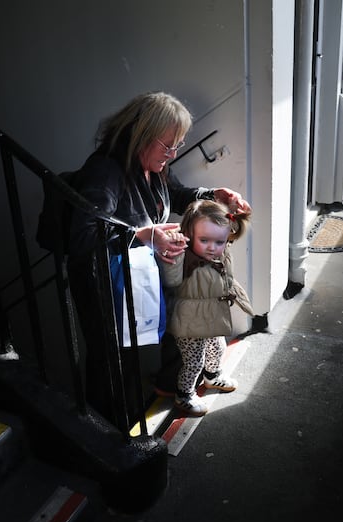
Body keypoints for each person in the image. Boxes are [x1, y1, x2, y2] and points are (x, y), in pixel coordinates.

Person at [66, 91, 251, 425]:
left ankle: (170, 384)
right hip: (103, 282)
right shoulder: (106, 171)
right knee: (111, 357)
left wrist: (214, 195)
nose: (173, 153)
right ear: (140, 136)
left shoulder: (153, 165)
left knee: (179, 316)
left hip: (141, 273)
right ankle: (103, 429)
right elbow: (82, 235)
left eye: (177, 145)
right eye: (168, 145)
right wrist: (141, 235)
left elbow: (177, 195)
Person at [158, 199, 253, 416]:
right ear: (189, 235)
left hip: (210, 316)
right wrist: (171, 253)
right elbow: (171, 281)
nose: (212, 247)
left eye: (219, 241)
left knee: (218, 347)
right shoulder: (184, 257)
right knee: (193, 362)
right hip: (189, 323)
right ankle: (184, 395)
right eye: (204, 240)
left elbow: (227, 265)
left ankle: (212, 377)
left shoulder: (220, 252)